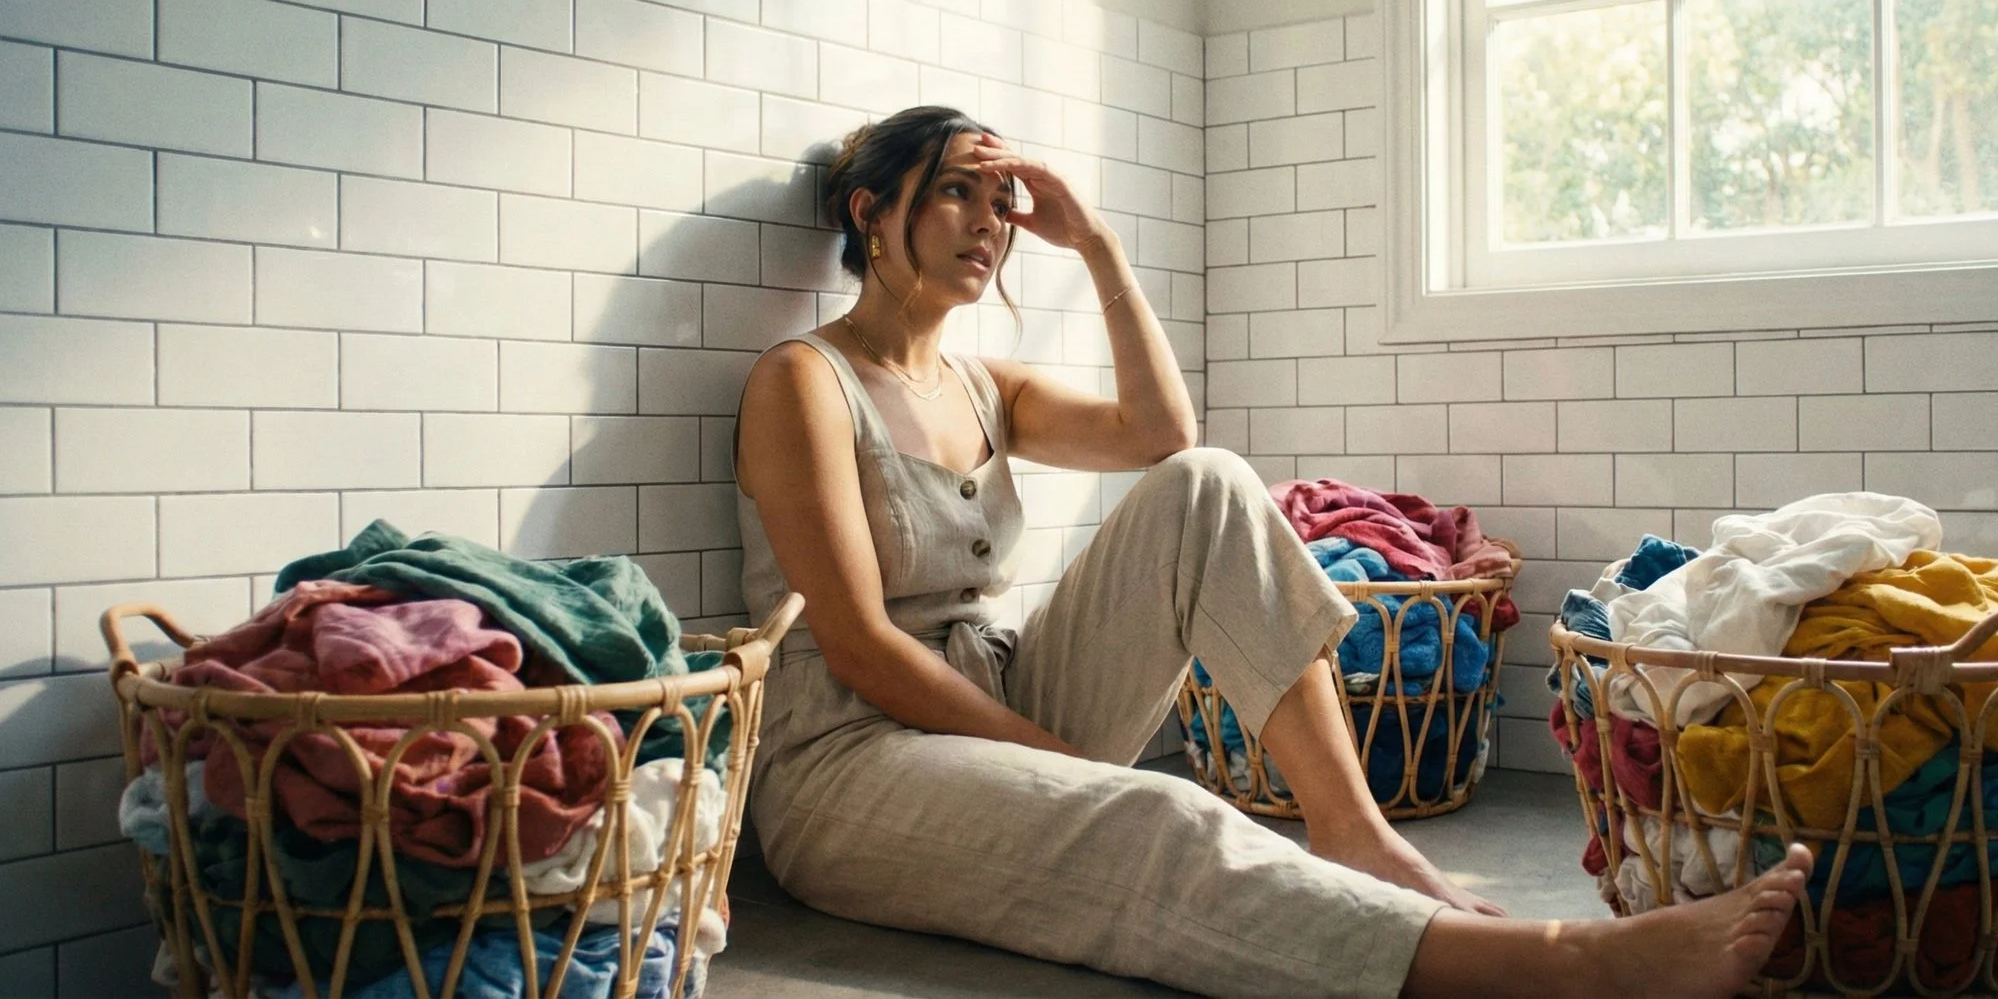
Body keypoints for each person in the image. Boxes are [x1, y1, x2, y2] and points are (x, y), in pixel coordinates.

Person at [730, 105, 1812, 998]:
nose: (989, 221)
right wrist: (1048, 757)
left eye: (997, 197)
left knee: (1208, 483)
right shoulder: (804, 382)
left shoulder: (981, 382)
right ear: (872, 211)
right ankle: (1552, 963)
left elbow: (1165, 436)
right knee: (1161, 807)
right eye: (957, 190)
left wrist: (1095, 244)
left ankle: (1351, 828)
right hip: (848, 764)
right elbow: (861, 645)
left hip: (995, 692)